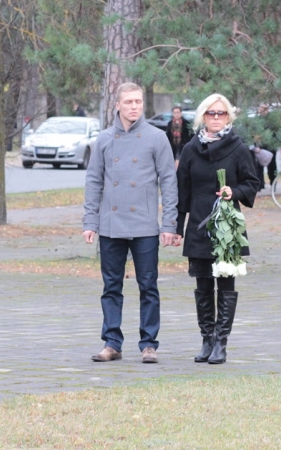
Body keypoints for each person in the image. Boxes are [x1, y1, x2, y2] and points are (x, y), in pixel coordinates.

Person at [82, 82, 179, 364]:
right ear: (118, 105)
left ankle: (149, 344)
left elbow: (169, 182)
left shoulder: (156, 138)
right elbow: (93, 181)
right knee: (111, 286)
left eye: (138, 101)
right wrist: (90, 221)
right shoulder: (104, 139)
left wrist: (169, 224)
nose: (134, 106)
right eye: (128, 102)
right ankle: (112, 342)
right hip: (111, 223)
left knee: (148, 285)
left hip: (145, 224)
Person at [176, 93, 260, 364]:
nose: (215, 118)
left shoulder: (238, 148)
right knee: (202, 284)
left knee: (225, 282)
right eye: (210, 113)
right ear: (202, 116)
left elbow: (252, 183)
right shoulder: (190, 149)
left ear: (229, 117)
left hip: (226, 226)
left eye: (220, 113)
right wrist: (178, 227)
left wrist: (232, 191)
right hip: (199, 225)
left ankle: (221, 342)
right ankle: (207, 339)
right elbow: (182, 192)